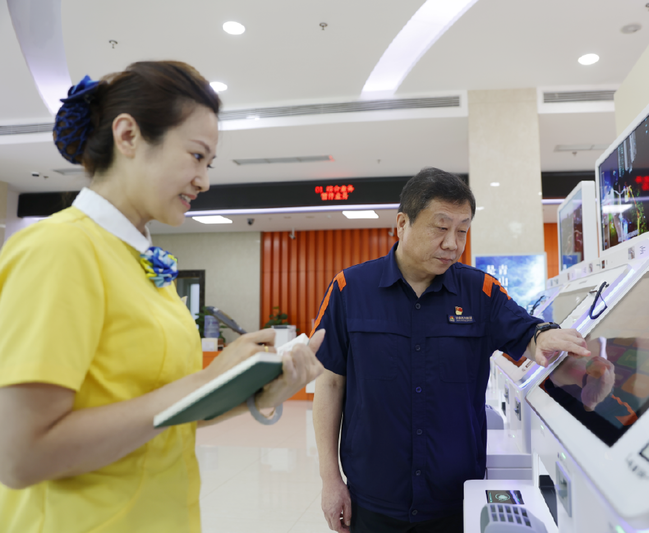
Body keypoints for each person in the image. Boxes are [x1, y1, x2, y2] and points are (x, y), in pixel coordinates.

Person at [0, 61, 325, 533]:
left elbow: (159, 413)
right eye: (196, 156)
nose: (204, 180)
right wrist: (205, 379)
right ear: (128, 136)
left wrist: (254, 395)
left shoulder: (145, 263)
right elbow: (22, 455)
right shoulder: (60, 249)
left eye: (208, 164)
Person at [311, 167, 591, 533]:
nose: (452, 244)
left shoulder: (481, 292)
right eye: (440, 228)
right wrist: (330, 479)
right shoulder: (350, 289)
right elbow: (330, 383)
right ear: (402, 223)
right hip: (374, 498)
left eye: (462, 230)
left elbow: (527, 331)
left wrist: (545, 336)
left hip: (455, 500)